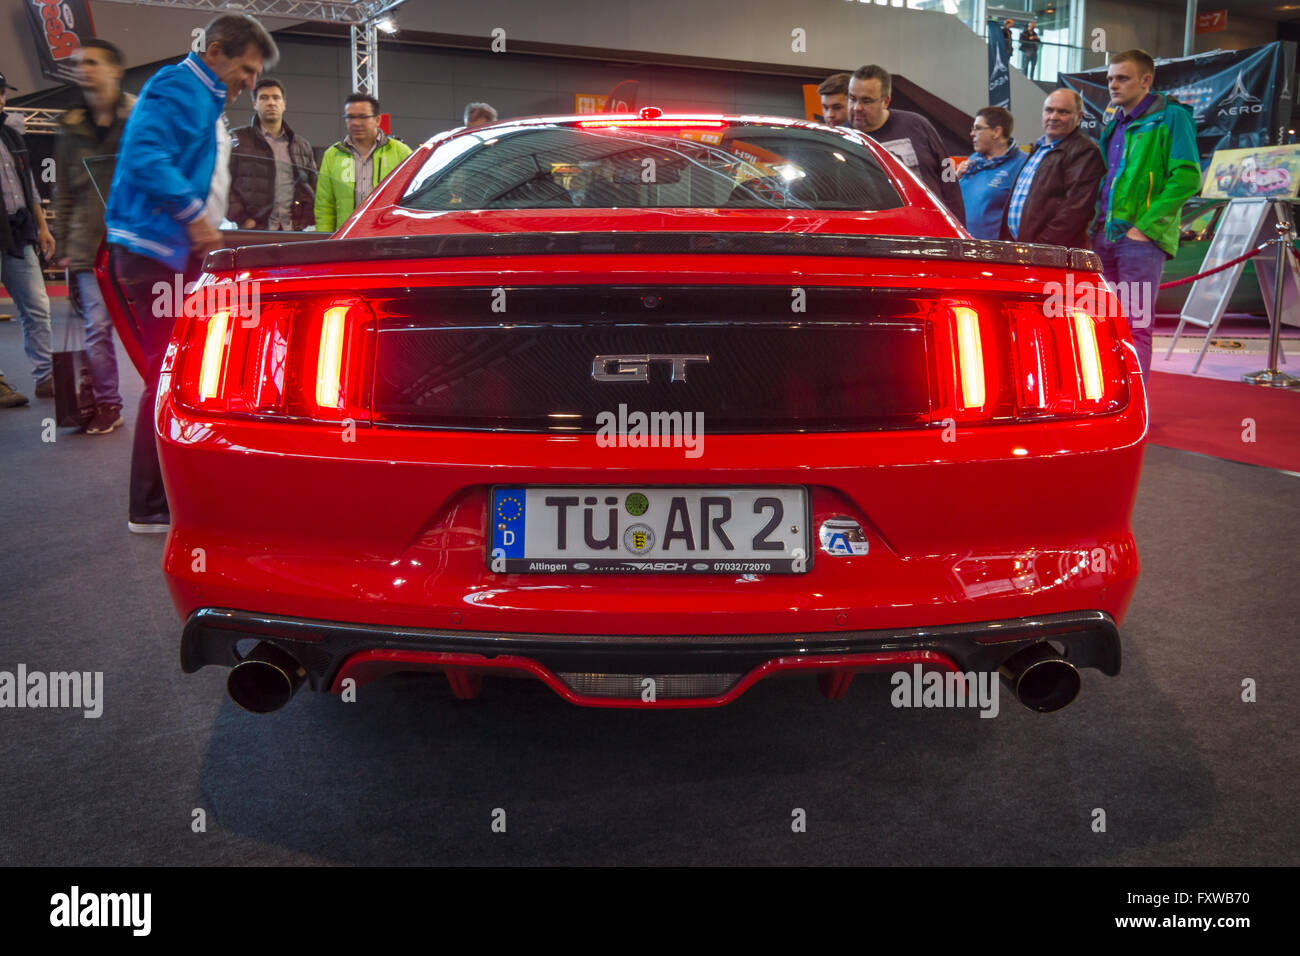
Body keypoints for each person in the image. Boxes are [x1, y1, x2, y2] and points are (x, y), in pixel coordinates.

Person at [105, 13, 277, 532]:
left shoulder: (204, 99)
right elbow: (145, 158)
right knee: (167, 375)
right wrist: (195, 218)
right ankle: (150, 506)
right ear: (217, 50)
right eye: (246, 69)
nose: (251, 83)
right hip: (152, 252)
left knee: (182, 370)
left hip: (170, 252)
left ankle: (170, 494)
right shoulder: (178, 85)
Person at [1094, 49, 1200, 377]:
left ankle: (1134, 409)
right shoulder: (1115, 124)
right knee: (1101, 324)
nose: (1114, 84)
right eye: (1111, 78)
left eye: (1122, 78)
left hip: (1140, 241)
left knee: (1135, 326)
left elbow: (1187, 177)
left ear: (1146, 80)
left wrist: (1145, 227)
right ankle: (1107, 402)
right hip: (1104, 236)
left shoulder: (1171, 117)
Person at [51, 39, 134, 433]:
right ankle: (107, 405)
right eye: (78, 63)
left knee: (152, 326)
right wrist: (65, 244)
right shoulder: (69, 127)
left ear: (115, 69)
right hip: (89, 247)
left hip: (135, 244)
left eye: (93, 62)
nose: (84, 68)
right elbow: (64, 191)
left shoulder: (138, 116)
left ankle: (164, 402)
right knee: (97, 330)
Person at [0, 71, 55, 407]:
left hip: (19, 232)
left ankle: (46, 376)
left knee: (37, 307)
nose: (0, 98)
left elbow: (29, 185)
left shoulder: (12, 133)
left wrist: (43, 226)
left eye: (1, 92)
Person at [847, 64, 965, 221]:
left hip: (931, 228)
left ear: (885, 101)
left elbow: (948, 178)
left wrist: (958, 226)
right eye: (852, 98)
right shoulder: (844, 138)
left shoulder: (917, 125)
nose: (857, 107)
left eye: (866, 101)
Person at [1000, 89, 1105, 249]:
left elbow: (1074, 212)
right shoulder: (1039, 149)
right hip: (1022, 251)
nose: (1054, 117)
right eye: (1049, 110)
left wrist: (1042, 248)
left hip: (1051, 256)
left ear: (1079, 118)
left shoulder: (1085, 152)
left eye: (1063, 112)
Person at [227, 78, 317, 230]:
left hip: (293, 231)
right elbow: (224, 184)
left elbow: (312, 186)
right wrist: (243, 219)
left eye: (276, 98)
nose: (271, 102)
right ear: (254, 104)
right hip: (254, 231)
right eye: (264, 98)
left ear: (284, 104)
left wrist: (305, 219)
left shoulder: (301, 145)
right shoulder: (237, 140)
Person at [314, 94, 412, 233]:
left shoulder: (401, 152)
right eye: (350, 117)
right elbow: (324, 206)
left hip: (387, 236)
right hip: (346, 237)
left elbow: (411, 200)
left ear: (377, 119)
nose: (355, 123)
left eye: (362, 117)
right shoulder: (332, 155)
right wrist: (324, 240)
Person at [957, 106, 1025, 240]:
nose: (972, 133)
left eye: (977, 128)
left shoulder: (1022, 164)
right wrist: (956, 177)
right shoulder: (973, 160)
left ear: (996, 132)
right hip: (963, 247)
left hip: (994, 254)